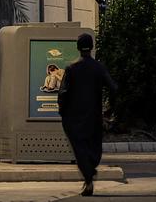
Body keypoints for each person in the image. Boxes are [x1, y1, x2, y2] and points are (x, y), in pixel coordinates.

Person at [58, 33, 116, 197]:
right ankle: (90, 172)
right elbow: (113, 88)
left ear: (78, 47)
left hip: (74, 117)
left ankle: (88, 177)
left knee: (79, 147)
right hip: (94, 116)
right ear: (91, 47)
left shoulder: (71, 68)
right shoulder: (99, 68)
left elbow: (63, 92)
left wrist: (62, 111)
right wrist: (109, 110)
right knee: (93, 147)